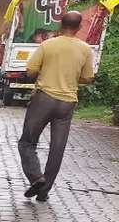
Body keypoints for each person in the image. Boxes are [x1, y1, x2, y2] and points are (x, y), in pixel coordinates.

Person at [18, 11, 95, 202]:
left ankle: (37, 178)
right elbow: (87, 77)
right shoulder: (85, 49)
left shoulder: (47, 45)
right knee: (57, 148)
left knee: (27, 142)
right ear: (79, 27)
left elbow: (31, 70)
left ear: (61, 25)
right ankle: (43, 192)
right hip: (67, 103)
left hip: (43, 100)